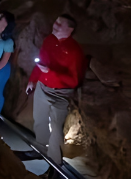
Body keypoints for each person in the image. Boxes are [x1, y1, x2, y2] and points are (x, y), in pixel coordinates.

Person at [18, 14, 85, 164]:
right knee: (40, 120)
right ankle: (39, 149)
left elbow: (73, 81)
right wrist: (33, 80)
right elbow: (41, 62)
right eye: (56, 21)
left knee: (56, 128)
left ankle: (55, 163)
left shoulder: (74, 51)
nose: (55, 25)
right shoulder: (49, 40)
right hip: (43, 87)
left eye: (60, 24)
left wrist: (51, 72)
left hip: (60, 93)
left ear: (70, 29)